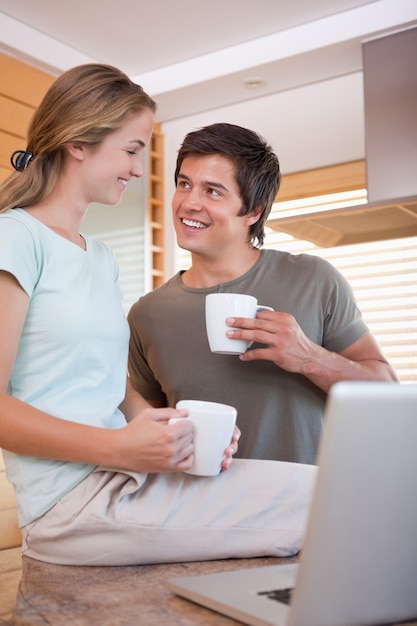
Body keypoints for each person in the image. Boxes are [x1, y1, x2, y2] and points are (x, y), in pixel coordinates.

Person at [0, 65, 316, 567]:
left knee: (329, 487)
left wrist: (172, 431)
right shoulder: (15, 238)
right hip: (72, 504)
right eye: (130, 150)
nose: (137, 169)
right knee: (326, 506)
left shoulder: (98, 257)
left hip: (121, 477)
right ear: (79, 142)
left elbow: (107, 384)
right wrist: (122, 449)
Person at [127, 123, 398, 465]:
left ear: (253, 212)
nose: (189, 203)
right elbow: (147, 428)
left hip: (304, 508)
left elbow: (386, 390)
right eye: (184, 184)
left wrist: (309, 357)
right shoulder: (146, 315)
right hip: (196, 512)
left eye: (212, 191)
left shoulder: (314, 279)